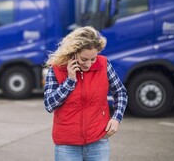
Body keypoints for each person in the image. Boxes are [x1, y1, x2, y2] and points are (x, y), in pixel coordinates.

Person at [44, 26, 128, 161]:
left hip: (98, 142)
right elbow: (49, 105)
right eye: (84, 59)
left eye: (93, 59)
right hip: (67, 145)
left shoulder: (104, 64)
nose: (89, 64)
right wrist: (69, 81)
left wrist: (116, 118)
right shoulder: (56, 69)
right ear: (73, 52)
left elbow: (120, 92)